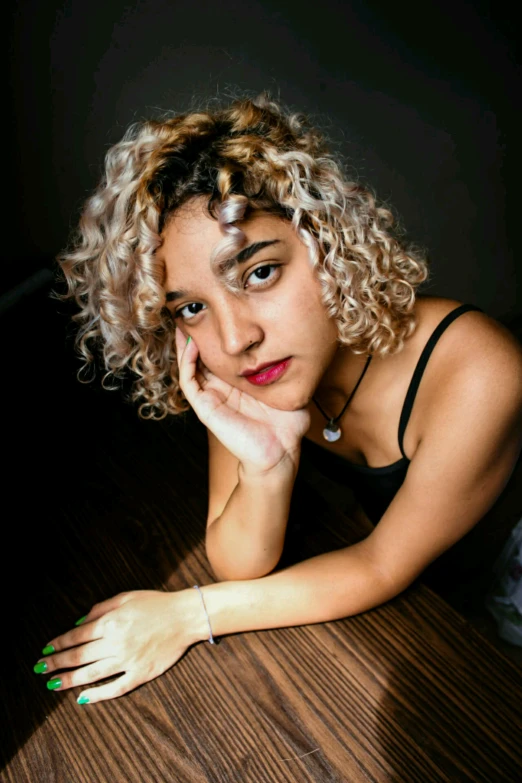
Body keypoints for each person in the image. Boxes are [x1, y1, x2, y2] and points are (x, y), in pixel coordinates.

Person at [36, 94, 522, 704]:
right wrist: (265, 468)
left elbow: (380, 565)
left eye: (259, 273)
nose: (237, 338)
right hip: (432, 614)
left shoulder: (479, 369)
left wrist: (186, 617)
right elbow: (239, 561)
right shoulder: (247, 367)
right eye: (191, 308)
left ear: (325, 241)